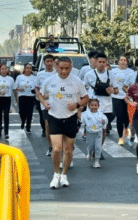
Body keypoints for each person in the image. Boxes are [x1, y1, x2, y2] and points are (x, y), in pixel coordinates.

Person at [37, 57, 89, 188]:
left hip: (71, 118)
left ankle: (64, 175)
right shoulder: (49, 81)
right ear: (56, 67)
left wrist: (77, 105)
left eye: (67, 68)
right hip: (54, 117)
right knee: (56, 149)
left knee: (68, 150)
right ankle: (55, 174)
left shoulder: (77, 81)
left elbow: (86, 98)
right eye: (61, 68)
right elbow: (40, 94)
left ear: (71, 68)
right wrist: (44, 103)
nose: (64, 71)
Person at [83, 53, 119, 137]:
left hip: (107, 106)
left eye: (104, 62)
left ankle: (98, 148)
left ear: (106, 62)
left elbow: (117, 90)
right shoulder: (89, 74)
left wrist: (112, 90)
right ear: (96, 62)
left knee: (102, 131)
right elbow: (83, 89)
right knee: (92, 129)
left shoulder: (111, 74)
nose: (102, 64)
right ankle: (91, 145)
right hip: (93, 105)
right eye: (100, 62)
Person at [36, 54, 57, 155]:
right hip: (44, 104)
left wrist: (51, 94)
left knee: (56, 126)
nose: (49, 63)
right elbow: (36, 88)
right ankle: (50, 146)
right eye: (47, 61)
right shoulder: (40, 74)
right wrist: (40, 97)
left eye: (51, 61)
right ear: (44, 63)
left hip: (57, 103)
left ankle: (57, 145)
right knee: (47, 125)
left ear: (54, 62)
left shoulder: (57, 73)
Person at [111, 55, 134, 145]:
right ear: (118, 61)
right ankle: (120, 137)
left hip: (128, 97)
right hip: (116, 97)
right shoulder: (113, 71)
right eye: (121, 60)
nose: (123, 61)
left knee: (127, 116)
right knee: (119, 117)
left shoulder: (131, 72)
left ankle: (126, 127)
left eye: (125, 60)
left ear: (127, 62)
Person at [80, 99, 107, 168]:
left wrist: (103, 122)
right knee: (90, 146)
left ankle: (96, 161)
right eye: (92, 105)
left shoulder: (101, 114)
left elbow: (105, 122)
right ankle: (89, 153)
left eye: (95, 105)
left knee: (98, 147)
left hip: (98, 133)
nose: (94, 107)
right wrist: (79, 112)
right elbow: (81, 120)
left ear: (98, 106)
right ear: (89, 106)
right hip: (89, 133)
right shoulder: (85, 114)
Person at [13, 63, 37, 134]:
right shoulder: (19, 77)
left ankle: (28, 127)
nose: (28, 69)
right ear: (24, 69)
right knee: (22, 112)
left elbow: (37, 87)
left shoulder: (34, 78)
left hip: (31, 97)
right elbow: (15, 87)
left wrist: (35, 91)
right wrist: (19, 88)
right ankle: (23, 120)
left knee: (29, 113)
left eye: (30, 68)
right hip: (22, 96)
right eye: (27, 68)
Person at [0, 64, 14, 139]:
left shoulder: (10, 79)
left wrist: (17, 98)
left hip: (7, 99)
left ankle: (6, 133)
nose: (4, 70)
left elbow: (13, 89)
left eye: (5, 69)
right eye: (2, 69)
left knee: (6, 115)